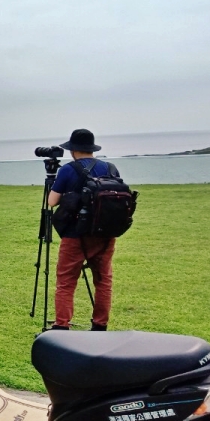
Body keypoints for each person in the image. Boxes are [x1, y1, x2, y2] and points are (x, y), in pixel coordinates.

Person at [48, 128, 119, 331]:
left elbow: (52, 202)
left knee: (66, 281)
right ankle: (100, 325)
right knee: (103, 281)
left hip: (75, 235)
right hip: (105, 233)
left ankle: (62, 325)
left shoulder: (68, 169)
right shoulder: (111, 168)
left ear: (73, 150)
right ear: (92, 149)